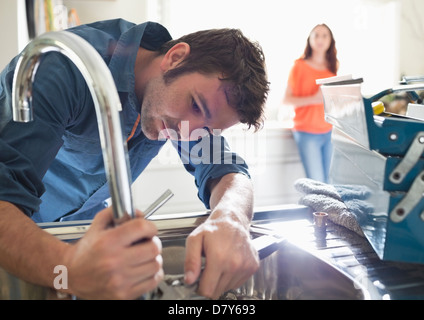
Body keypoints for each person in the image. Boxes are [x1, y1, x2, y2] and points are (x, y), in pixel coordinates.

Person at [0, 19, 269, 299]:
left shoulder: (186, 109)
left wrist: (232, 217)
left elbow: (227, 170)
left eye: (208, 128)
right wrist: (68, 270)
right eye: (194, 105)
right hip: (18, 230)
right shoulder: (63, 68)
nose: (187, 130)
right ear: (175, 58)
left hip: (79, 225)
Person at [282, 23, 338, 183]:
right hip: (306, 132)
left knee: (330, 182)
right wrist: (314, 99)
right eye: (316, 35)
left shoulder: (332, 68)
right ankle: (316, 210)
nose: (320, 39)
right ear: (310, 39)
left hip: (329, 131)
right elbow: (286, 100)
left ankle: (329, 210)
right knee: (317, 182)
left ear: (330, 41)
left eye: (324, 35)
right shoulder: (298, 66)